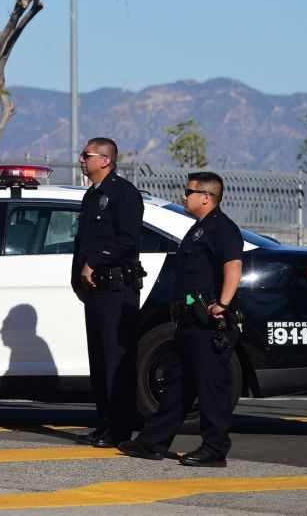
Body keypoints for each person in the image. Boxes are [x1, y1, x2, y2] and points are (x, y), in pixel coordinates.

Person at [118, 171, 242, 467]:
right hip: (189, 323)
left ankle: (214, 450)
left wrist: (222, 305)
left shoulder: (221, 228)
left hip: (210, 324)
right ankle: (152, 443)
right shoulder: (198, 228)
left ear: (206, 197)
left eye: (188, 192)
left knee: (210, 387)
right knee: (176, 384)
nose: (183, 197)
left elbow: (233, 266)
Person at [71, 137, 144, 448]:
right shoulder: (92, 196)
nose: (80, 160)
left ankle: (119, 429)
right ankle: (104, 425)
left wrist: (96, 262)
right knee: (99, 361)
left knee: (116, 361)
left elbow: (127, 240)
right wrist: (78, 278)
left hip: (117, 288)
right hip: (96, 290)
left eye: (86, 155)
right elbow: (82, 242)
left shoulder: (122, 193)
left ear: (105, 160)